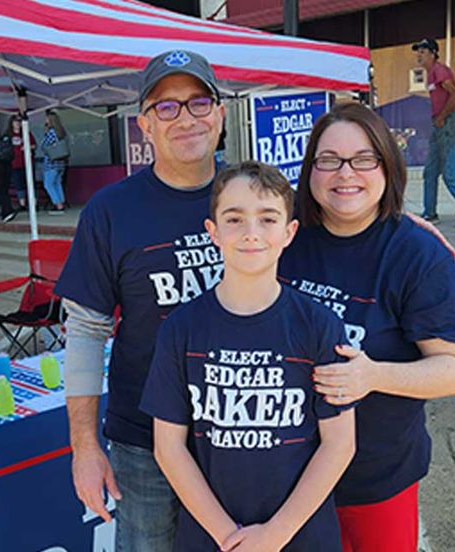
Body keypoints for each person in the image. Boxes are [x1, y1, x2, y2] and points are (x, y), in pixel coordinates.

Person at [280, 102, 455, 552]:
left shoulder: (417, 256)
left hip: (376, 478)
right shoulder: (283, 234)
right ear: (309, 170)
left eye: (364, 159)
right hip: (285, 473)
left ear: (387, 165)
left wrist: (372, 375)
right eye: (328, 160)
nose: (345, 173)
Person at [55, 50, 227, 550]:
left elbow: (336, 215)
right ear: (144, 125)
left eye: (198, 102)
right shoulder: (111, 210)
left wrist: (396, 222)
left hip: (241, 430)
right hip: (144, 437)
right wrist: (84, 446)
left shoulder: (253, 193)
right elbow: (86, 331)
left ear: (218, 112)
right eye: (166, 107)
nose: (186, 118)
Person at [140, 161, 356, 551]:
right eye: (235, 219)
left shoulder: (319, 326)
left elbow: (339, 443)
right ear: (213, 232)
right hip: (212, 535)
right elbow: (168, 447)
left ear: (289, 232)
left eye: (268, 219)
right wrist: (229, 537)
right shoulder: (181, 329)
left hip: (300, 534)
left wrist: (273, 536)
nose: (251, 233)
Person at [412, 38, 455, 228]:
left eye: (423, 52)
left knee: (449, 173)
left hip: (447, 123)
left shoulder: (440, 70)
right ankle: (430, 213)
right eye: (418, 52)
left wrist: (442, 116)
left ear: (434, 53)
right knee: (430, 172)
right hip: (438, 124)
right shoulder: (431, 74)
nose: (419, 55)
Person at [41, 111, 70, 214]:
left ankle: (57, 204)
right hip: (61, 162)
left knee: (48, 184)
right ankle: (61, 203)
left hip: (51, 163)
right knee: (57, 183)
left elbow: (44, 146)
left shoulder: (51, 133)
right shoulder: (61, 132)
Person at [6, 115, 35, 212]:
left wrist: (27, 147)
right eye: (15, 121)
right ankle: (22, 204)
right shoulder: (8, 135)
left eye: (19, 121)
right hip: (14, 163)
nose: (17, 123)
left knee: (30, 183)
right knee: (19, 184)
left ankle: (33, 203)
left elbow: (34, 145)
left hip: (27, 163)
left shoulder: (26, 133)